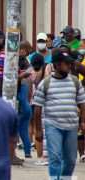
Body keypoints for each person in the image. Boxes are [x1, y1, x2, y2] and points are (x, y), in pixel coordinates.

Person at [33, 50, 85, 180]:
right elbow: (37, 108)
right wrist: (38, 130)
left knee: (71, 159)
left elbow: (82, 103)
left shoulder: (75, 82)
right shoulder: (45, 83)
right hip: (53, 125)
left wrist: (83, 121)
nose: (69, 66)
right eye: (65, 64)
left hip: (72, 126)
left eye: (69, 64)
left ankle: (65, 178)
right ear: (56, 65)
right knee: (55, 156)